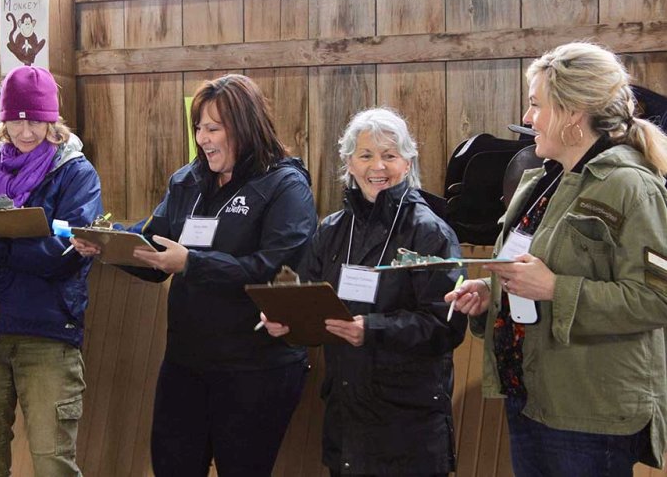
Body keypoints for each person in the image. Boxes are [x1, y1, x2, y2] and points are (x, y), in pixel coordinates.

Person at [72, 74, 318, 476]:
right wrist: (107, 245)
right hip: (186, 363)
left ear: (246, 126)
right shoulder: (187, 181)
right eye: (199, 128)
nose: (203, 138)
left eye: (214, 128)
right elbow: (154, 248)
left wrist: (193, 264)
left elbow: (275, 268)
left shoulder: (285, 186)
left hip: (256, 368)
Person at [445, 41, 667, 476]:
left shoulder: (632, 187)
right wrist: (494, 295)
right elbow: (529, 272)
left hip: (589, 412)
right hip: (531, 396)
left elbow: (657, 299)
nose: (528, 119)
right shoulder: (541, 184)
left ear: (572, 113)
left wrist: (554, 290)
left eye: (535, 105)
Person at [262, 107, 467, 476]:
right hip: (345, 410)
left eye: (390, 155)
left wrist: (370, 329)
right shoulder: (332, 230)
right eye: (366, 155)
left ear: (407, 163)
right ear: (349, 164)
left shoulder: (431, 232)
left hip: (409, 419)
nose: (379, 167)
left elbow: (445, 325)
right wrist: (286, 322)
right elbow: (307, 297)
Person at [0, 65, 103, 476]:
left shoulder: (77, 175)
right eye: (16, 120)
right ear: (3, 121)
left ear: (53, 121)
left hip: (47, 336)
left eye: (37, 120)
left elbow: (63, 254)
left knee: (53, 465)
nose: (26, 131)